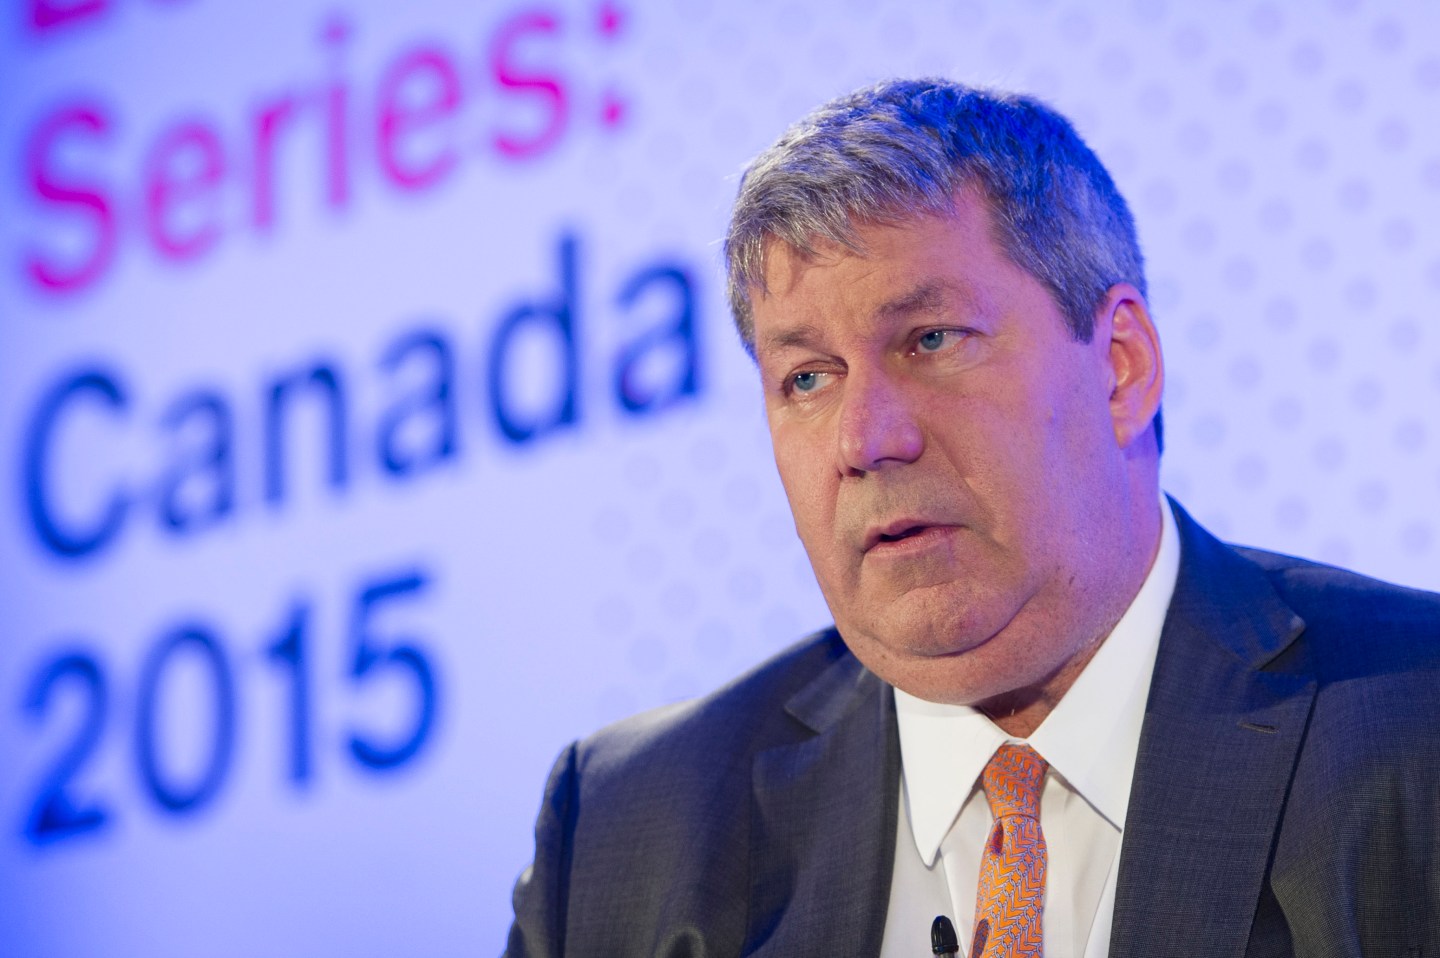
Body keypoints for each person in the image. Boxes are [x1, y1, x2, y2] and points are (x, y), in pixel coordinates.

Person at [505, 79, 1440, 957]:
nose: (864, 439)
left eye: (931, 340)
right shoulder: (630, 834)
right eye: (807, 378)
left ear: (1120, 367)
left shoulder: (1410, 723)